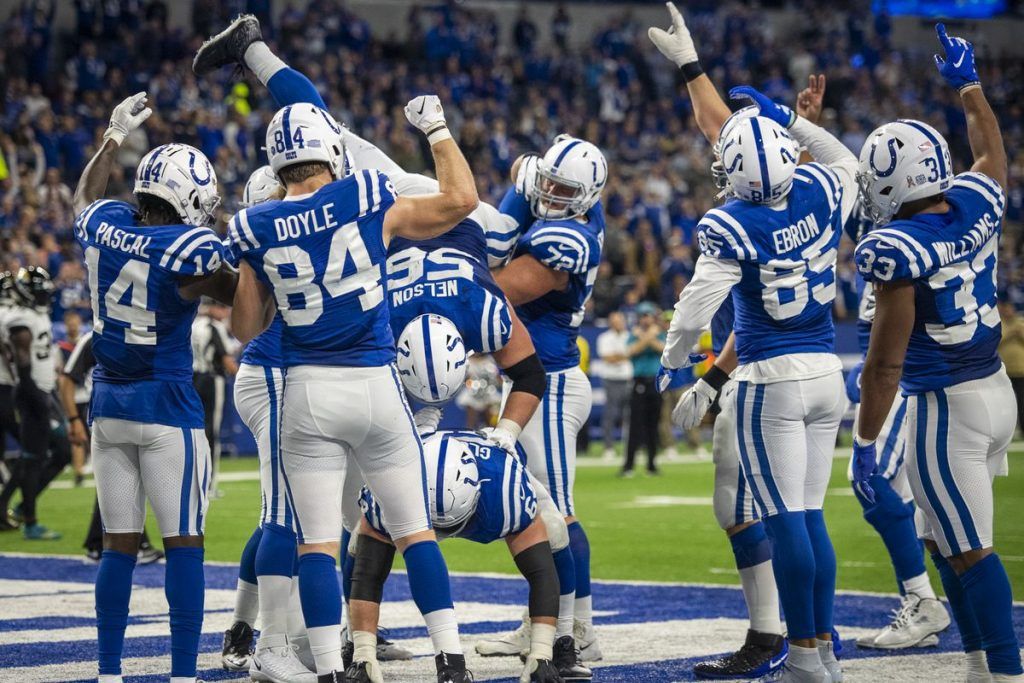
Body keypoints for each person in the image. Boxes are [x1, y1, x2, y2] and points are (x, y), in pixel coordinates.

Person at [226, 86, 478, 683]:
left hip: (308, 392)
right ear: (331, 151)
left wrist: (258, 269)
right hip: (377, 385)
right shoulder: (365, 194)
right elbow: (461, 200)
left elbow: (243, 328)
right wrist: (437, 132)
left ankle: (328, 670)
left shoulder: (253, 224)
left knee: (315, 542)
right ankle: (451, 657)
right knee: (414, 531)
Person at [655, 9, 857, 680]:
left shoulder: (733, 221)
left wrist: (678, 359)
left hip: (771, 381)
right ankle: (819, 641)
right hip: (824, 368)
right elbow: (837, 161)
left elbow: (695, 309)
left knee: (781, 518)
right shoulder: (819, 186)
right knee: (807, 516)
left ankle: (797, 649)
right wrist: (797, 123)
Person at [855, 24, 1023, 682]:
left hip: (945, 407)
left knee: (971, 550)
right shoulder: (976, 198)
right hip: (995, 390)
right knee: (941, 538)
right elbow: (993, 159)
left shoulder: (897, 249)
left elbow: (885, 363)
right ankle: (980, 665)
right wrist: (971, 90)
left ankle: (1004, 673)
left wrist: (867, 436)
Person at [73, 92, 236, 683]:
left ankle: (109, 671)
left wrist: (112, 137)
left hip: (109, 406)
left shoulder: (103, 224)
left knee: (119, 542)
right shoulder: (188, 249)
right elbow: (233, 287)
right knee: (184, 544)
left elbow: (84, 198)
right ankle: (184, 673)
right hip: (167, 406)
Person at [479, 133, 609, 663]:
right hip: (533, 380)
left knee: (559, 512)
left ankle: (575, 632)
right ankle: (548, 620)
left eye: (564, 188)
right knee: (543, 509)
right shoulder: (562, 218)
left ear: (589, 194)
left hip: (550, 384)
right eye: (549, 183)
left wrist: (515, 198)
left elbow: (493, 284)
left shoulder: (570, 240)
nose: (552, 194)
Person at [358, 429, 591, 683]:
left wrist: (541, 653)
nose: (444, 535)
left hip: (491, 474)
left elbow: (541, 572)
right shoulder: (394, 482)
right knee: (358, 546)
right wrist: (363, 652)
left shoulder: (505, 488)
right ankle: (356, 645)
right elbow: (366, 574)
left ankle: (562, 646)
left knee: (556, 532)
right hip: (416, 490)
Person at [59, 329, 164, 565]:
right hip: (100, 409)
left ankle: (104, 544)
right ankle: (119, 544)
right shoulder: (94, 337)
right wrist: (73, 419)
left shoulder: (137, 332)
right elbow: (67, 378)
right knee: (121, 477)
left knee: (123, 477)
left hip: (126, 410)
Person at [1, 266, 68, 540]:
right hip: (32, 393)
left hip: (43, 391)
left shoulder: (34, 315)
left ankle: (19, 506)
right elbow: (23, 368)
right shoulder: (19, 320)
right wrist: (38, 399)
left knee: (56, 452)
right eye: (39, 292)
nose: (44, 297)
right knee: (34, 457)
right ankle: (29, 520)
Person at [190, 300, 238, 496]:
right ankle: (209, 483)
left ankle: (194, 481)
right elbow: (226, 360)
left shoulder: (194, 325)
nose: (225, 311)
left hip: (192, 379)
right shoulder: (215, 327)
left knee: (195, 430)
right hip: (211, 380)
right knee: (212, 431)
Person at [622, 302, 665, 476]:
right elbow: (631, 351)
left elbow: (663, 349)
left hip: (655, 381)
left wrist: (645, 337)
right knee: (635, 424)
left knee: (653, 425)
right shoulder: (635, 335)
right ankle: (629, 465)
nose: (646, 319)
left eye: (648, 315)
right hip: (638, 381)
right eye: (643, 316)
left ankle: (651, 464)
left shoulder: (658, 334)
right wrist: (647, 338)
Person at [596, 311, 632, 458]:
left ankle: (629, 447)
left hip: (628, 378)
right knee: (610, 414)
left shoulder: (630, 336)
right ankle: (608, 447)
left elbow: (634, 353)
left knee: (630, 415)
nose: (618, 323)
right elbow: (607, 358)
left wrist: (619, 355)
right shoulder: (604, 337)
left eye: (620, 320)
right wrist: (625, 354)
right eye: (615, 321)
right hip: (611, 379)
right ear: (611, 323)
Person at [997, 300, 1024, 435]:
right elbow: (996, 341)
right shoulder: (998, 324)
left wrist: (1018, 332)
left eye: (1009, 308)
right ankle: (1006, 431)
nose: (1007, 311)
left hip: (1020, 370)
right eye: (1005, 308)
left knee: (1022, 401)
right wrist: (1011, 333)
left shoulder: (1020, 323)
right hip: (1004, 370)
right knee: (1005, 403)